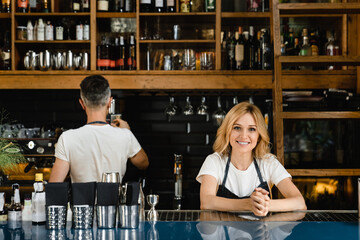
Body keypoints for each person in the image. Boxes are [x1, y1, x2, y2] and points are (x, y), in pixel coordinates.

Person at [196, 101, 306, 216]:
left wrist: (265, 204)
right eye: (237, 128)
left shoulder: (268, 162)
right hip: (223, 232)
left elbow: (300, 203)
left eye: (252, 129)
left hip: (260, 233)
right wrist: (248, 204)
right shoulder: (214, 161)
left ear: (259, 135)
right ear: (227, 131)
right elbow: (206, 202)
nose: (244, 136)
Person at [49, 75, 149, 183]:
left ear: (82, 104)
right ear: (109, 102)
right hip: (114, 200)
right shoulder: (125, 135)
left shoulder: (67, 138)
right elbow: (143, 163)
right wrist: (128, 132)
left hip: (81, 200)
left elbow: (55, 185)